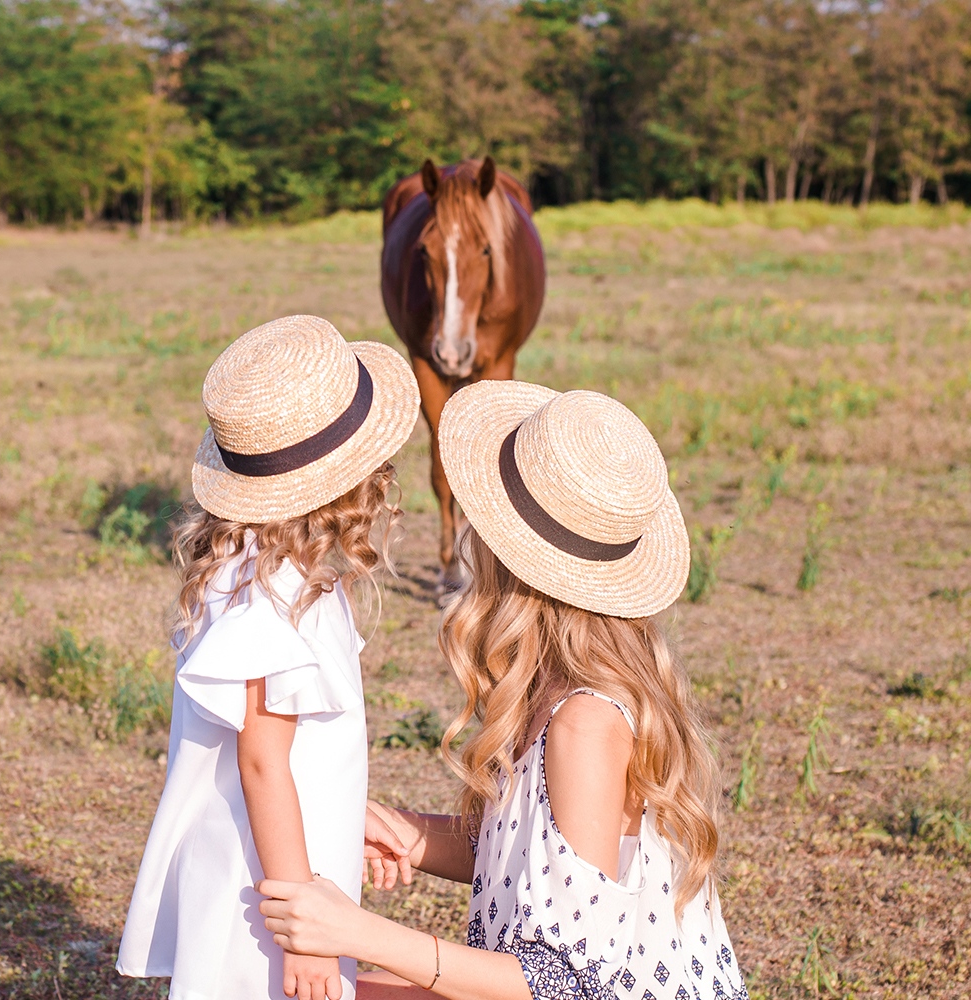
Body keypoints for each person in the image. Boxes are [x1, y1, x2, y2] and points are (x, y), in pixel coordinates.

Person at [257, 381, 748, 1000]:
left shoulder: (585, 726)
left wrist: (356, 932)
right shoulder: (556, 688)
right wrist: (408, 833)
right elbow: (534, 867)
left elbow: (571, 983)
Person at [116, 315, 420, 1000]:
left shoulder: (271, 569)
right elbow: (260, 762)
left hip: (280, 856)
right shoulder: (274, 592)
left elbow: (284, 746)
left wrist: (347, 813)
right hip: (268, 890)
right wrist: (304, 932)